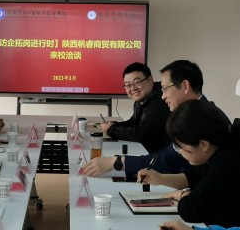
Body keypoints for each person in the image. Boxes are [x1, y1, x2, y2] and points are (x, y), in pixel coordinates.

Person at [137, 100, 240, 226]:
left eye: (181, 147)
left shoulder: (228, 162)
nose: (179, 152)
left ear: (203, 144)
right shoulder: (223, 146)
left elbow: (190, 210)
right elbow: (193, 176)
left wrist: (182, 194)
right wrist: (160, 178)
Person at [84, 60, 227, 180]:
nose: (163, 96)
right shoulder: (200, 111)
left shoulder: (199, 119)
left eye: (165, 89)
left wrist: (116, 162)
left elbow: (167, 159)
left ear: (185, 86)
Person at [98, 62, 169, 153]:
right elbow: (134, 122)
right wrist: (114, 125)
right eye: (128, 85)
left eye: (137, 82)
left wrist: (110, 130)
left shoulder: (158, 100)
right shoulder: (142, 99)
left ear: (150, 80)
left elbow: (141, 134)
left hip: (159, 155)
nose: (133, 88)